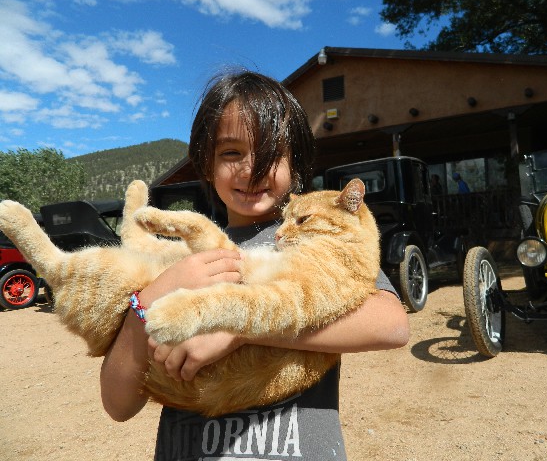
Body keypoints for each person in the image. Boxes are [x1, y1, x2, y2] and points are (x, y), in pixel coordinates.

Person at [100, 70, 409, 460]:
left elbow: (392, 324)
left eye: (271, 153)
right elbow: (117, 404)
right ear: (206, 164)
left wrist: (237, 328)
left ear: (294, 165)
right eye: (231, 153)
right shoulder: (176, 258)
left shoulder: (316, 241)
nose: (250, 169)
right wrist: (144, 303)